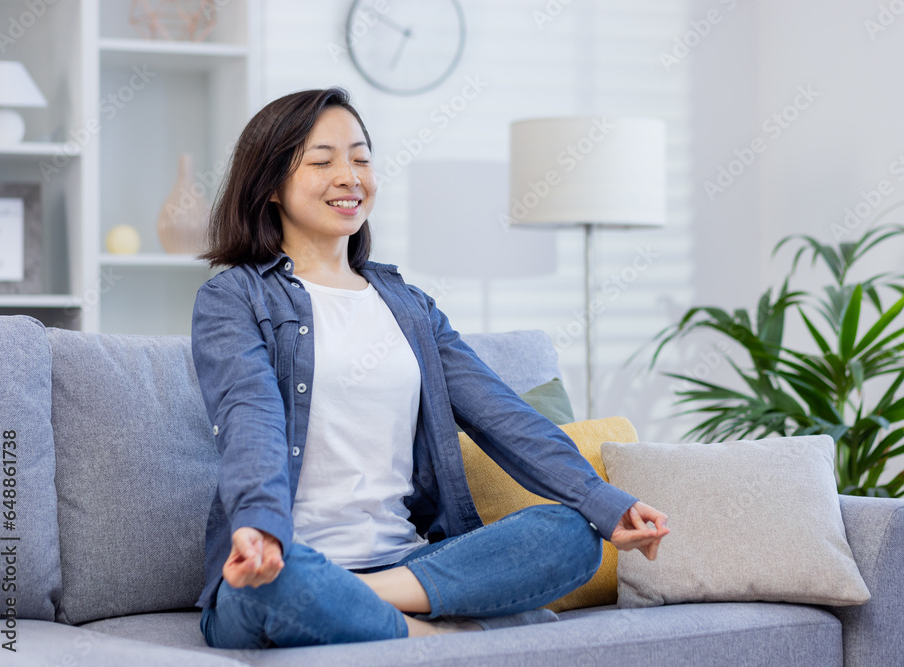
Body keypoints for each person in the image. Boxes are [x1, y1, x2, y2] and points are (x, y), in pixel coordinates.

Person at [190, 87, 669, 650]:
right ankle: (444, 635)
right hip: (284, 561)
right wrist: (259, 528)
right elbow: (251, 419)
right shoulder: (234, 299)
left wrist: (604, 503)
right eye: (322, 161)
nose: (349, 176)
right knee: (266, 588)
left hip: (405, 563)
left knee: (571, 535)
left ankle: (367, 606)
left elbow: (503, 417)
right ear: (269, 185)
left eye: (361, 158)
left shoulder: (409, 306)